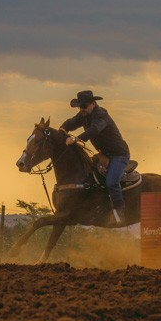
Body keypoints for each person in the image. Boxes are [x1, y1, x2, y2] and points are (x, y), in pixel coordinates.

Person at [60, 90, 130, 225]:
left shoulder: (101, 115)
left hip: (119, 155)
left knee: (111, 182)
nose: (82, 109)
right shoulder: (84, 115)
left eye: (84, 106)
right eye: (80, 107)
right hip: (104, 155)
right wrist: (61, 131)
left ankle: (119, 211)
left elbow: (94, 130)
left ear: (93, 103)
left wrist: (76, 139)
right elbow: (71, 123)